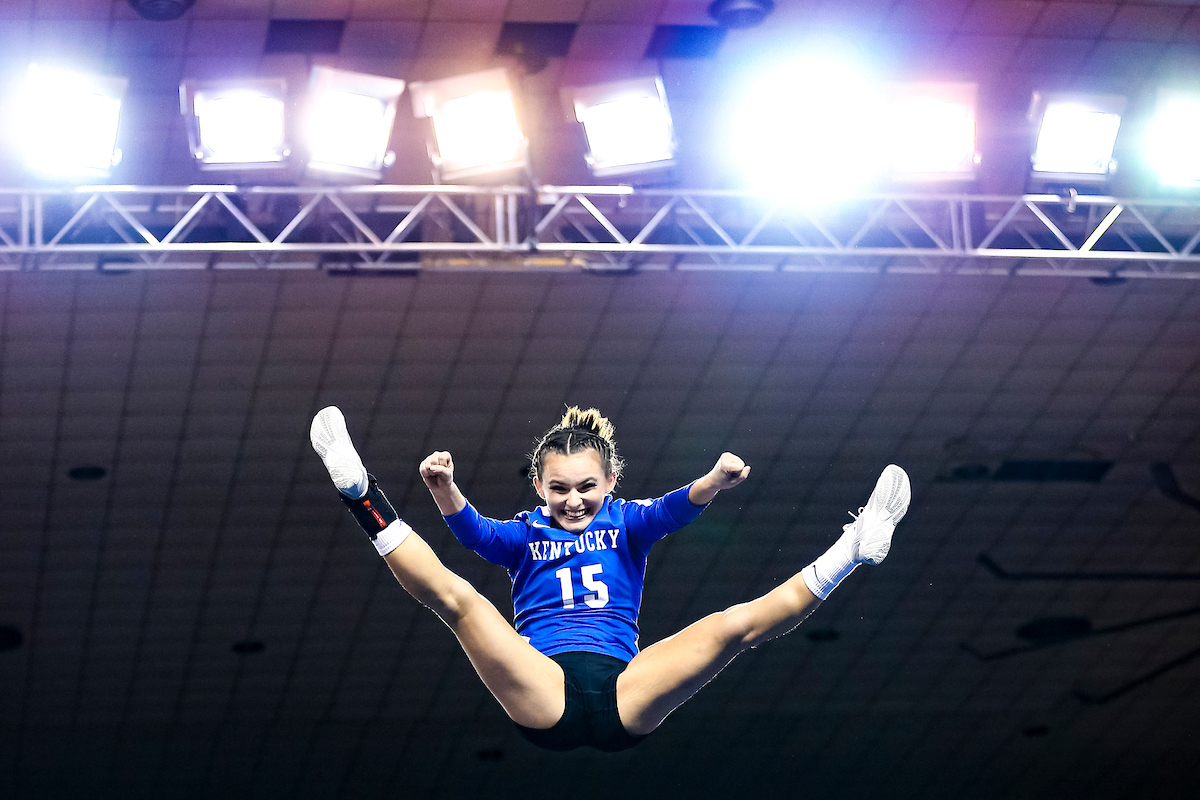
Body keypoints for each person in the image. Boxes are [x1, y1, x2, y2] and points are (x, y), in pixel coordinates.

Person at [310, 405, 910, 752]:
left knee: (732, 627)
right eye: (560, 489)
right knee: (460, 601)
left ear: (611, 481)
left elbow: (676, 507)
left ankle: (853, 548)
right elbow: (474, 536)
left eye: (587, 488)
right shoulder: (526, 534)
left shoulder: (628, 523)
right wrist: (443, 489)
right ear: (539, 488)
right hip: (544, 687)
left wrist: (715, 480)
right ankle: (359, 491)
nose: (574, 501)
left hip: (627, 687)